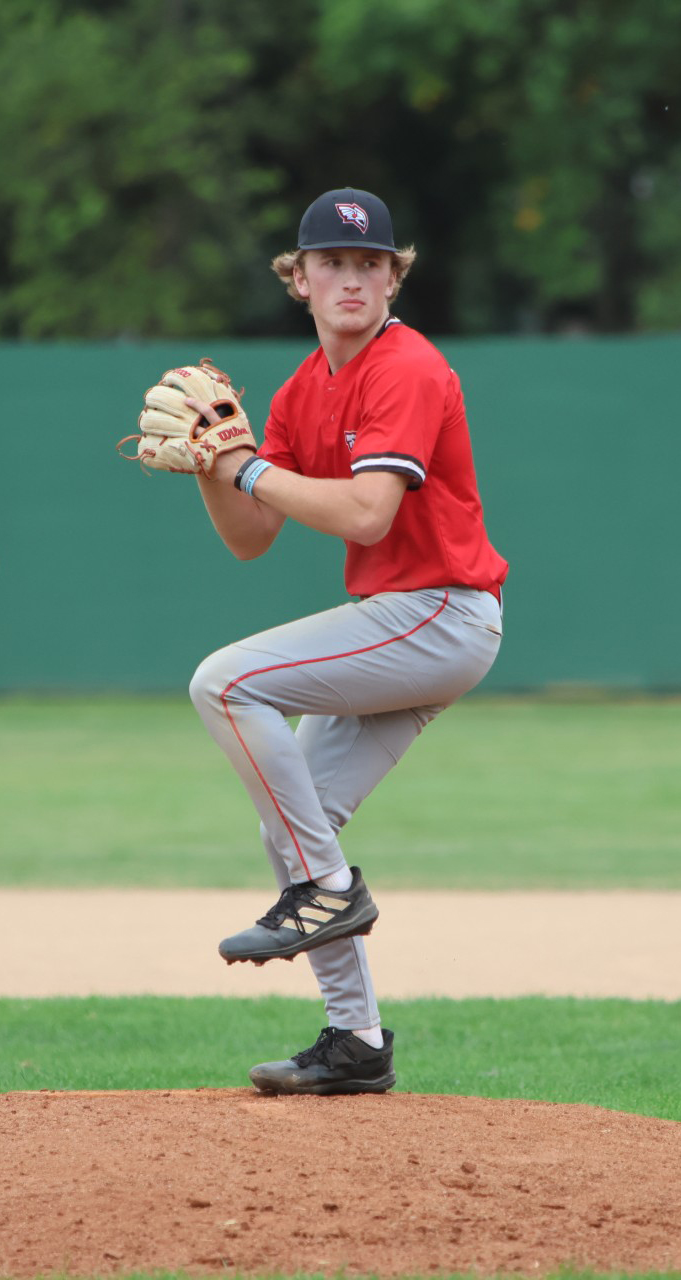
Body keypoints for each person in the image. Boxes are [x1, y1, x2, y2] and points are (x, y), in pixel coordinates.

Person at [183, 188, 508, 1095]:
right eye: (333, 261)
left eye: (372, 262)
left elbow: (368, 516)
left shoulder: (405, 367)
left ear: (395, 276)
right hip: (408, 620)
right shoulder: (301, 390)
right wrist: (215, 467)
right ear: (300, 279)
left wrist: (249, 466)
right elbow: (251, 535)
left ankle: (326, 894)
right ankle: (354, 1041)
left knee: (225, 683)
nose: (352, 277)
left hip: (441, 611)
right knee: (296, 819)